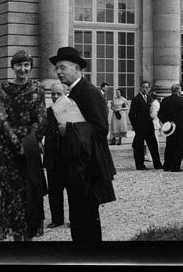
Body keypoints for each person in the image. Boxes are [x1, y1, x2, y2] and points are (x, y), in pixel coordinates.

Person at [50, 46, 116, 241]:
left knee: (87, 219)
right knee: (78, 217)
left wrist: (69, 129)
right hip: (77, 166)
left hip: (88, 168)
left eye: (62, 67)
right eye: (57, 69)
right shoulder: (72, 93)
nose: (59, 72)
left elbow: (101, 129)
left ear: (78, 68)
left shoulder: (89, 92)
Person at [0, 50, 47, 241]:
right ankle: (16, 237)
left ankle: (27, 237)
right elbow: (2, 118)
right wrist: (16, 142)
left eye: (26, 65)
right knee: (10, 191)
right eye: (19, 65)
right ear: (12, 67)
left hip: (29, 146)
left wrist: (28, 142)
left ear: (31, 67)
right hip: (7, 148)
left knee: (30, 190)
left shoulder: (38, 88)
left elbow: (42, 117)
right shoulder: (4, 88)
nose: (23, 69)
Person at [44, 82, 70, 228]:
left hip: (68, 157)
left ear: (65, 93)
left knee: (73, 190)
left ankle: (75, 218)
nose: (55, 97)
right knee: (54, 190)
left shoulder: (72, 110)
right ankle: (57, 219)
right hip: (52, 157)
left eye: (58, 94)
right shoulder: (48, 112)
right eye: (52, 94)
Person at [128, 80, 163, 170]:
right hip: (140, 126)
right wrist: (136, 126)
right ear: (140, 87)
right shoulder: (136, 99)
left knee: (153, 145)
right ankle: (140, 165)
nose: (145, 89)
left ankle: (157, 164)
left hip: (148, 125)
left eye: (147, 87)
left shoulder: (148, 98)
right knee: (139, 146)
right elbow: (131, 114)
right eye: (143, 87)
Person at [159, 84, 183, 172]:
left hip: (169, 128)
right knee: (179, 148)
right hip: (180, 128)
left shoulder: (165, 100)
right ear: (179, 91)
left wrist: (167, 122)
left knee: (169, 146)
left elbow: (160, 114)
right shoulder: (182, 102)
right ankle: (175, 166)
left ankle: (167, 165)